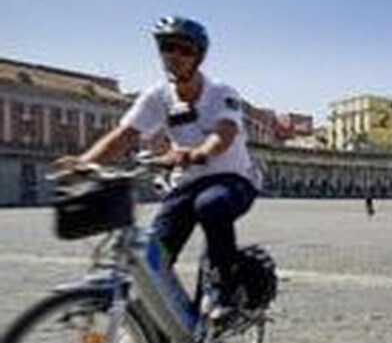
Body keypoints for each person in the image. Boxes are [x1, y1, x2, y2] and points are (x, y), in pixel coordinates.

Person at [57, 16, 259, 319]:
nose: (174, 56)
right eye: (167, 48)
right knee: (154, 253)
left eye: (184, 49)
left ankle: (223, 290)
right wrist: (85, 163)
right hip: (187, 182)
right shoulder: (157, 96)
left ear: (198, 56)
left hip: (233, 179)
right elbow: (124, 135)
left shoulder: (222, 92)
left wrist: (200, 151)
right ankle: (165, 332)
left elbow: (225, 133)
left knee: (211, 205)